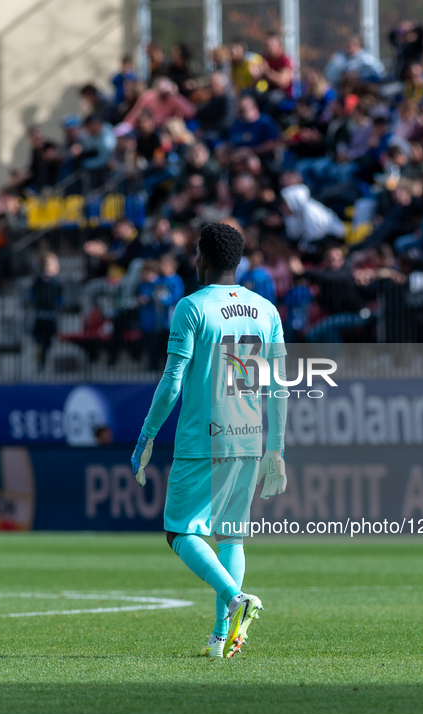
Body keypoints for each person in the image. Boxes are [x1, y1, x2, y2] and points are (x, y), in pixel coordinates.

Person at [130, 222, 287, 659]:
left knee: (178, 531)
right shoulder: (266, 310)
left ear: (202, 258)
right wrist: (277, 448)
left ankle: (236, 599)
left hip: (204, 435)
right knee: (231, 537)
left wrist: (147, 434)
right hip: (249, 437)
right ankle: (222, 639)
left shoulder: (191, 307)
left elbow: (172, 381)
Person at [30, 252, 63, 369]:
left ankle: (42, 360)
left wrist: (58, 307)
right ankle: (39, 358)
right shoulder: (39, 280)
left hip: (51, 316)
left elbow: (60, 297)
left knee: (48, 339)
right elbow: (32, 294)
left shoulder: (57, 282)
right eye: (54, 264)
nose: (57, 267)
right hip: (40, 315)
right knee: (39, 337)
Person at [125, 77, 197, 128]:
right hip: (148, 129)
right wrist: (126, 126)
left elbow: (190, 112)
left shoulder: (173, 99)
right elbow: (135, 114)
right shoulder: (147, 97)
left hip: (165, 130)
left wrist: (175, 96)